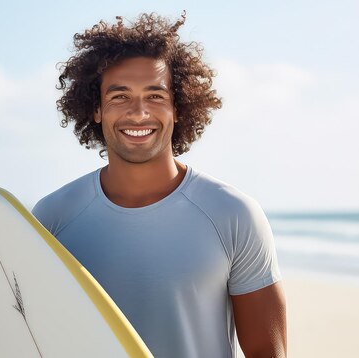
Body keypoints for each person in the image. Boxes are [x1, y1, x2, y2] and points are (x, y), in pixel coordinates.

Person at [32, 13, 286, 358]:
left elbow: (268, 353)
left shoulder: (234, 215)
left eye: (155, 96)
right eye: (120, 97)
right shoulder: (53, 218)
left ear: (177, 108)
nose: (138, 113)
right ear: (96, 110)